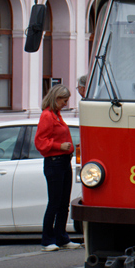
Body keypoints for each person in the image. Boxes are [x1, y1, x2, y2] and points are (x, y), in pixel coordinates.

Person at [35, 84, 79, 251]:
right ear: (56, 98)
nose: (65, 104)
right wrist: (59, 146)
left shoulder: (56, 115)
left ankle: (61, 237)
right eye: (64, 100)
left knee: (63, 202)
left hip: (63, 160)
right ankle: (48, 239)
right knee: (54, 202)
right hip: (54, 161)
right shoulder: (47, 116)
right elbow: (40, 141)